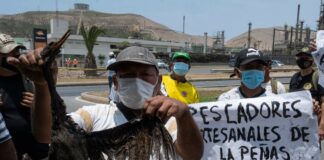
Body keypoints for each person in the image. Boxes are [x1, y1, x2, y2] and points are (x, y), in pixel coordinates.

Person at [69, 46, 203, 159]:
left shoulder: (169, 123)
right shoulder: (92, 116)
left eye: (145, 75)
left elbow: (192, 155)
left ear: (159, 82)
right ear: (115, 82)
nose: (137, 81)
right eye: (128, 75)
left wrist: (184, 115)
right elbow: (61, 131)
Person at [0, 33, 52, 159]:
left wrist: (37, 103)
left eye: (17, 50)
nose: (16, 55)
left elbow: (53, 119)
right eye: (9, 52)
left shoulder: (31, 76)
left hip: (37, 152)